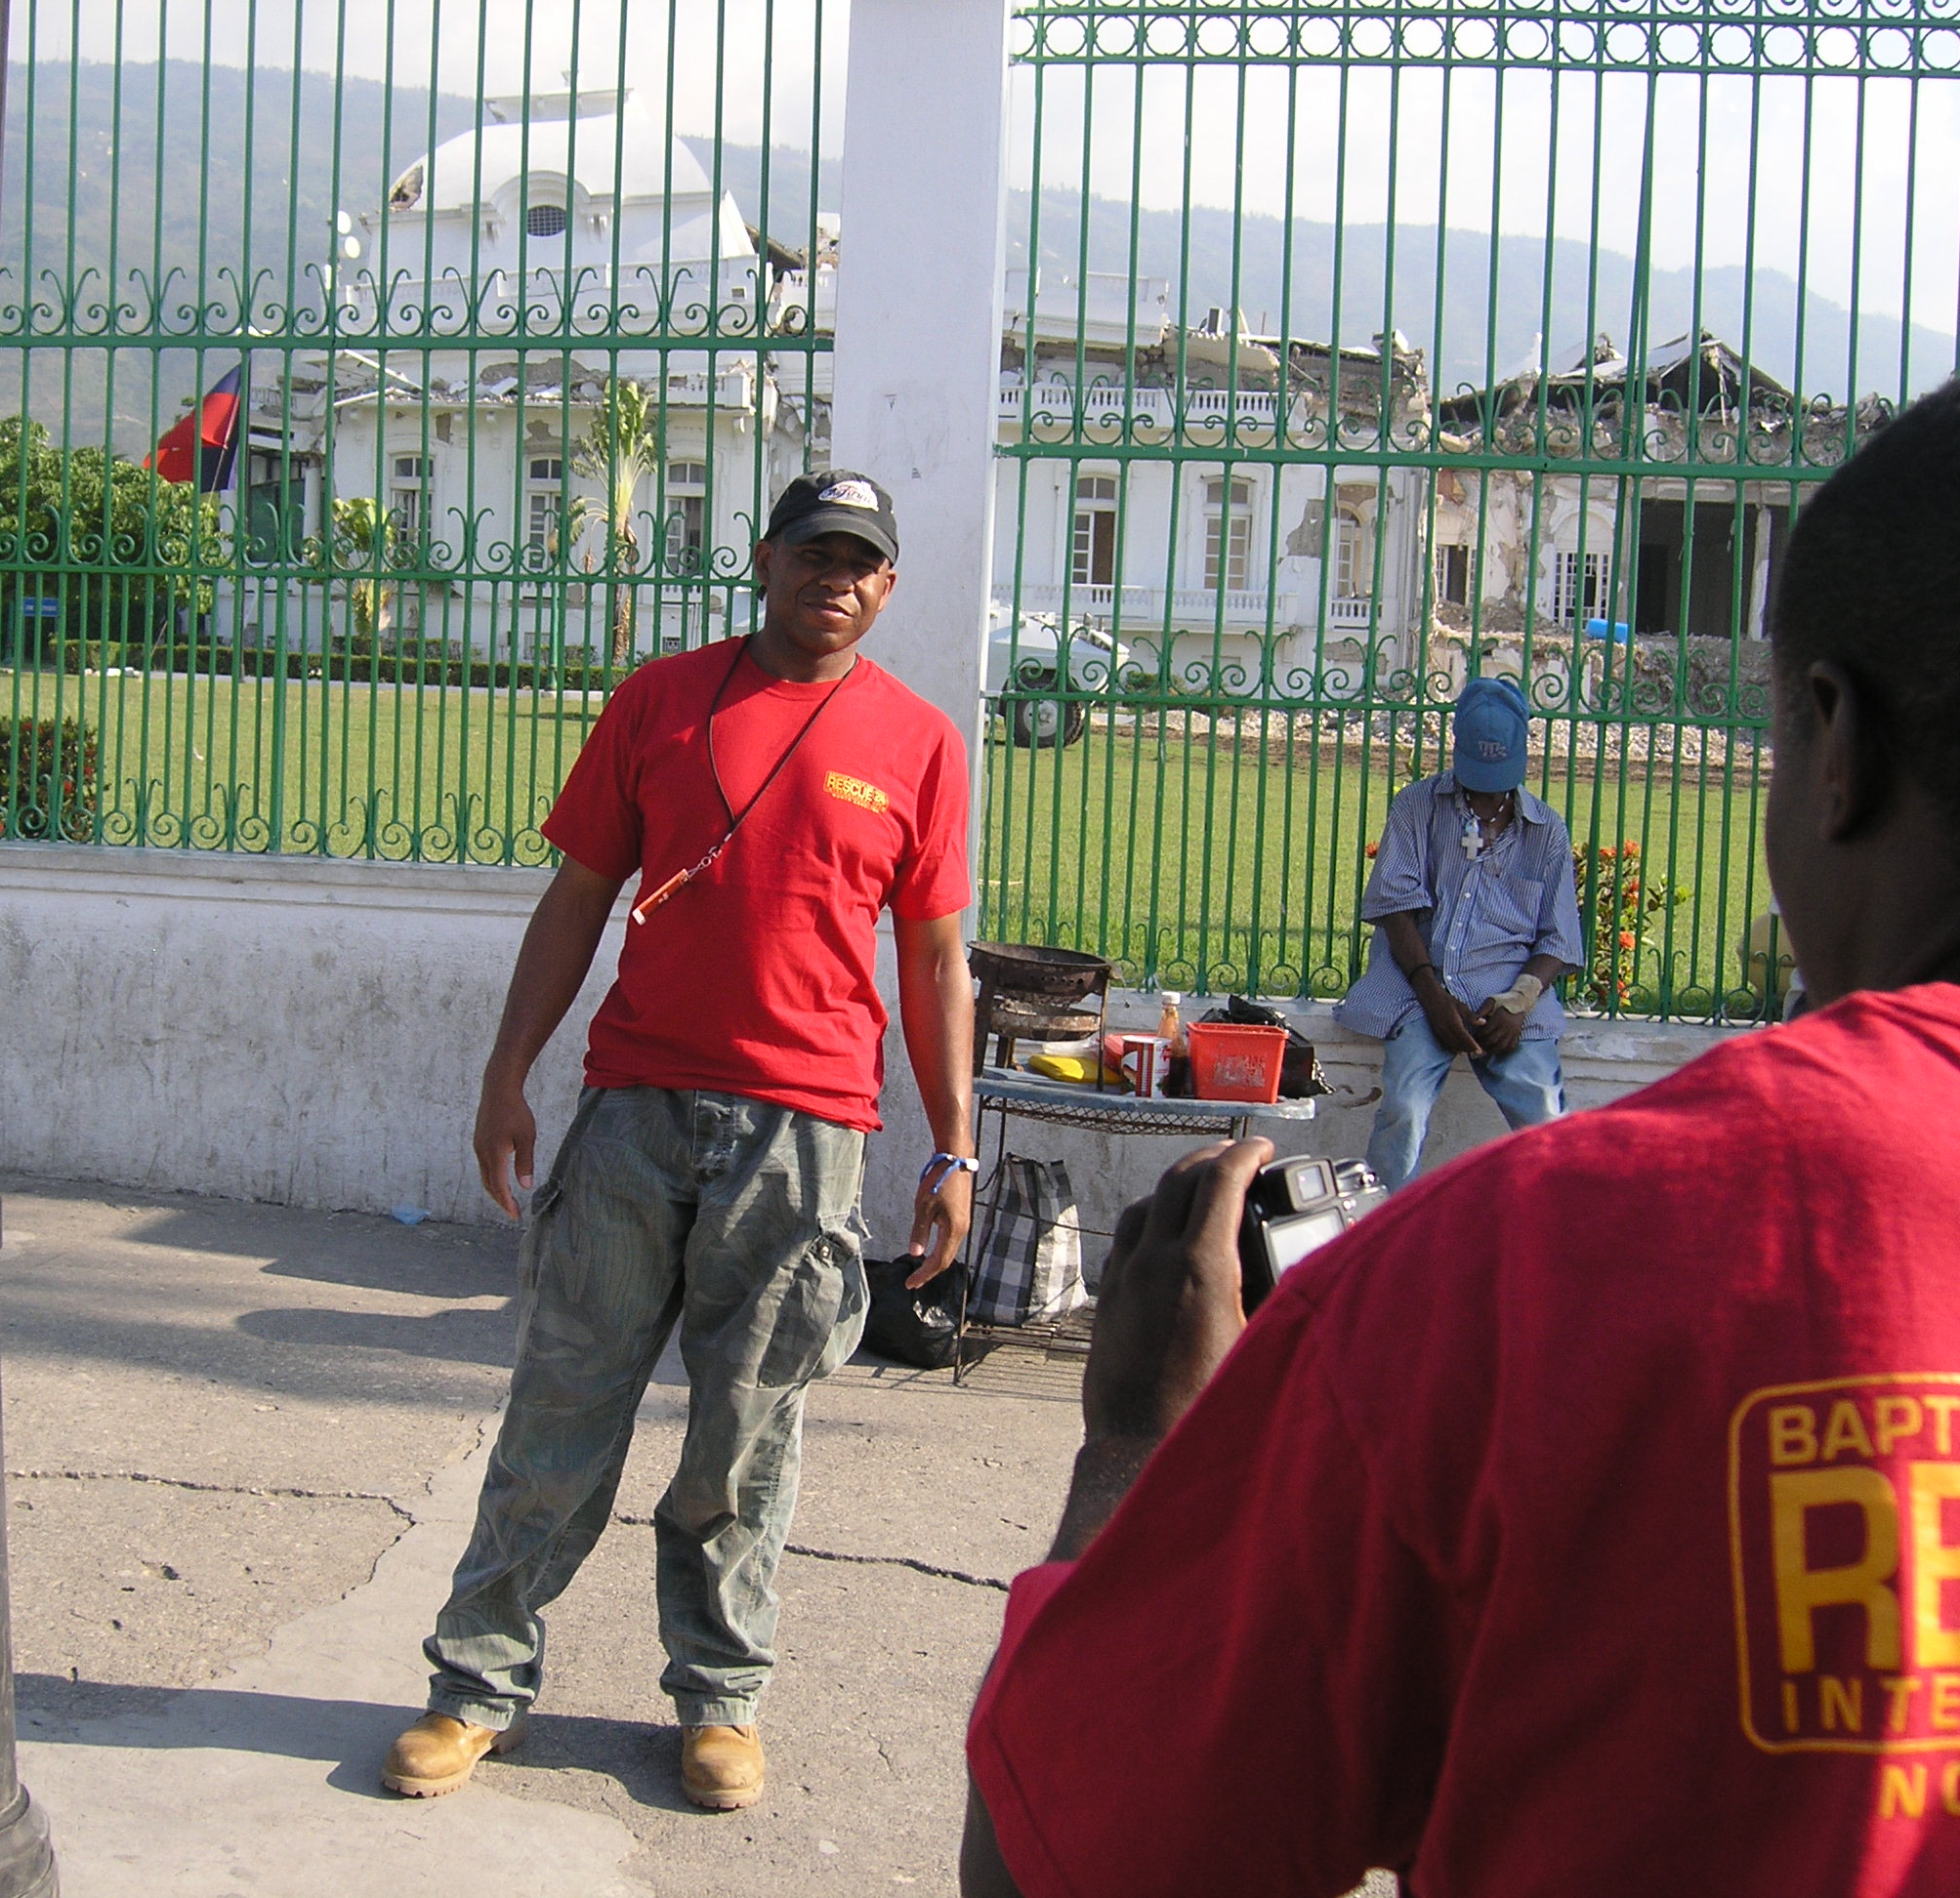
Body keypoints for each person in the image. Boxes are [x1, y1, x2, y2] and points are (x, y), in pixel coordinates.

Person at [955, 381, 1960, 1895]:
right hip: (1431, 1004)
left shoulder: (1522, 1276)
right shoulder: (1430, 814)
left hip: (1516, 1036)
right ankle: (1399, 1183)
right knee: (1413, 1103)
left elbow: (1069, 1857)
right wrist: (1451, 1002)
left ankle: (1380, 1225)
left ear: (1838, 747)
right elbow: (1404, 921)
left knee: (1536, 1125)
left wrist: (1137, 1456)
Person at [384, 471, 978, 1813]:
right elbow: (577, 896)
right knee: (560, 1407)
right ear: (765, 560)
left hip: (806, 1134)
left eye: (861, 563)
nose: (835, 579)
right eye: (814, 552)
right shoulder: (658, 701)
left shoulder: (920, 742)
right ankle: (477, 1686)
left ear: (887, 588)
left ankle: (720, 1699)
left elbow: (939, 959)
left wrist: (955, 1147)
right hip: (634, 1115)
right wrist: (505, 1074)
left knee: (745, 1437)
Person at [1337, 676, 1585, 1187]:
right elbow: (1395, 910)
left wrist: (1518, 1002)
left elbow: (1558, 939)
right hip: (1419, 986)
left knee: (1543, 1114)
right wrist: (1433, 998)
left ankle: (1556, 1225)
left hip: (1507, 998)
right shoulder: (1416, 806)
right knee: (1403, 1110)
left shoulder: (1547, 831)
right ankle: (1385, 1223)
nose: (1486, 795)